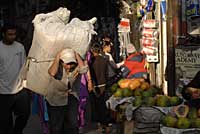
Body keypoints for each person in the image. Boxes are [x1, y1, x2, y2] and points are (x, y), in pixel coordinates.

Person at [46, 48, 88, 134]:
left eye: (71, 63)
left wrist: (76, 54)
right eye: (67, 63)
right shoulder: (56, 65)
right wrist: (58, 57)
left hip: (71, 98)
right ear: (61, 62)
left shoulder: (76, 68)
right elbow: (52, 73)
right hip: (55, 100)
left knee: (72, 125)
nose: (69, 66)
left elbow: (84, 69)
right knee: (56, 127)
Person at [0, 23, 31, 134]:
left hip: (19, 89)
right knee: (4, 123)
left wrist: (26, 85)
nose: (12, 37)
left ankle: (17, 131)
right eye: (9, 34)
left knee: (25, 114)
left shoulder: (19, 47)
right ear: (3, 34)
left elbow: (24, 66)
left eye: (14, 34)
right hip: (3, 92)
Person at [89, 43, 111, 134]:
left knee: (97, 106)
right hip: (103, 85)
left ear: (92, 51)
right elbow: (107, 74)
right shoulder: (104, 60)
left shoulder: (91, 62)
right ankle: (104, 125)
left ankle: (100, 124)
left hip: (94, 87)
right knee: (102, 106)